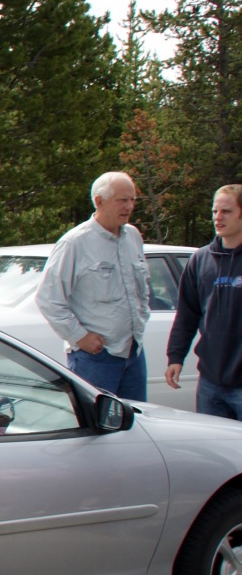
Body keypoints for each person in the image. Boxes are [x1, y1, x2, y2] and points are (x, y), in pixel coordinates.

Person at [35, 171, 151, 401]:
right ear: (99, 201)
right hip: (96, 357)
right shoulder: (75, 243)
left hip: (133, 352)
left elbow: (142, 288)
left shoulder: (133, 236)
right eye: (122, 200)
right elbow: (48, 298)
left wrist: (141, 318)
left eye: (132, 200)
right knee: (96, 421)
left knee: (135, 419)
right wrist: (79, 337)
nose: (129, 207)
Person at [166, 184, 242, 416]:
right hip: (210, 382)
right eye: (214, 211)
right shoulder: (200, 260)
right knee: (213, 441)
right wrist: (175, 356)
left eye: (226, 211)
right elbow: (187, 315)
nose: (218, 217)